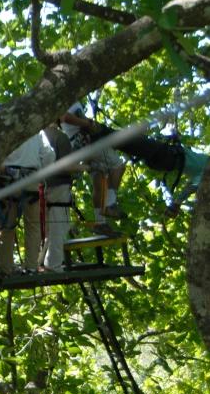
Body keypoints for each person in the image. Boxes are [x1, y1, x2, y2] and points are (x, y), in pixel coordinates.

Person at [87, 123, 208, 218]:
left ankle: (95, 129)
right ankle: (95, 133)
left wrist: (177, 202)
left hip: (168, 157)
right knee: (131, 143)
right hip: (167, 157)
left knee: (129, 141)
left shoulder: (207, 171)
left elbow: (195, 183)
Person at [0, 121, 56, 275]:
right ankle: (31, 267)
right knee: (33, 225)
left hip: (7, 179)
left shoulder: (3, 129)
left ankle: (5, 268)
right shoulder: (36, 130)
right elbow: (49, 154)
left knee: (5, 227)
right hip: (31, 179)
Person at [61, 102, 126, 236]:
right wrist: (88, 124)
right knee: (118, 166)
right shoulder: (67, 99)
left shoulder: (73, 100)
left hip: (81, 144)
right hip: (86, 142)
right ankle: (109, 204)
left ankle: (100, 223)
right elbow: (65, 116)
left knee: (98, 176)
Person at [41, 119, 91, 272]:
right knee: (59, 226)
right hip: (59, 187)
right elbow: (67, 166)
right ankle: (53, 264)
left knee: (46, 229)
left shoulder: (38, 136)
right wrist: (86, 167)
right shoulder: (60, 137)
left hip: (42, 187)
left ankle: (41, 261)